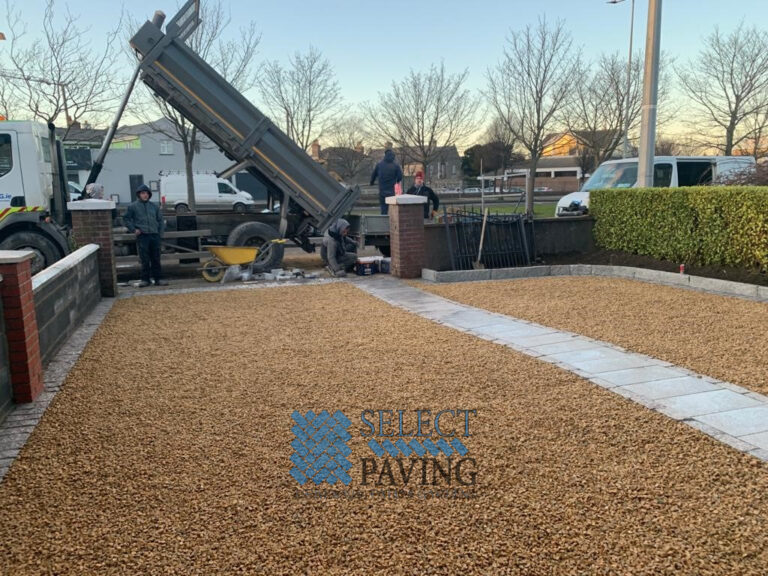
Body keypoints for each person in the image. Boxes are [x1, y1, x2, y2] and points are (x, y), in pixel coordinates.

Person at [123, 184, 167, 287]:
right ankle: (145, 279)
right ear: (139, 195)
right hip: (143, 236)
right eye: (143, 193)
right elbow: (126, 219)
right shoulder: (132, 206)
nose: (145, 195)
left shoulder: (154, 206)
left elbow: (160, 220)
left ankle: (158, 279)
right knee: (145, 259)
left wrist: (160, 233)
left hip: (154, 235)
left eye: (147, 193)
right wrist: (134, 229)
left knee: (156, 258)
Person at [370, 149, 403, 215]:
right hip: (391, 191)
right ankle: (393, 223)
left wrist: (371, 183)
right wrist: (396, 181)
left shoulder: (379, 165)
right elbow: (400, 176)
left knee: (384, 209)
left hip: (382, 191)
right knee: (392, 208)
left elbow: (373, 175)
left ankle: (384, 223)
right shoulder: (396, 165)